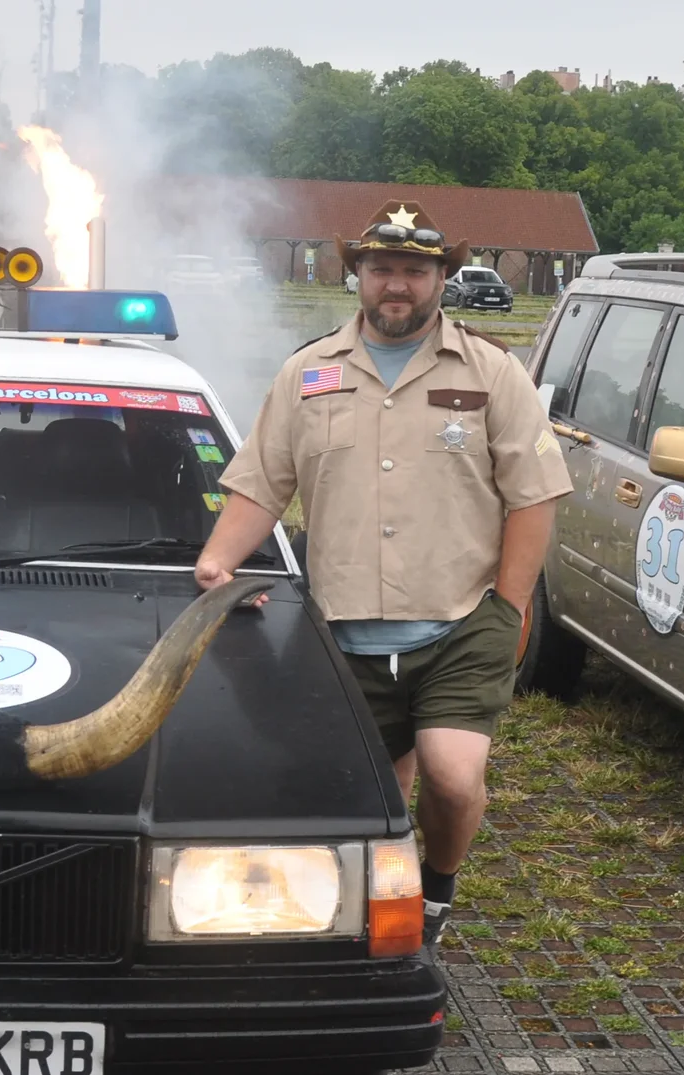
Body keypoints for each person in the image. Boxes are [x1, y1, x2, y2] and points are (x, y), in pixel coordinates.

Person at [195, 201, 570, 947]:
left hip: (459, 623)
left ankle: (437, 892)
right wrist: (217, 560)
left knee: (453, 776)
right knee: (377, 797)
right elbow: (261, 483)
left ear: (441, 279)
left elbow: (535, 497)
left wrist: (510, 607)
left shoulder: (492, 371)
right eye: (382, 270)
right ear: (356, 276)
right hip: (341, 629)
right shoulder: (308, 373)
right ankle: (371, 920)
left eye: (415, 271)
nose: (397, 285)